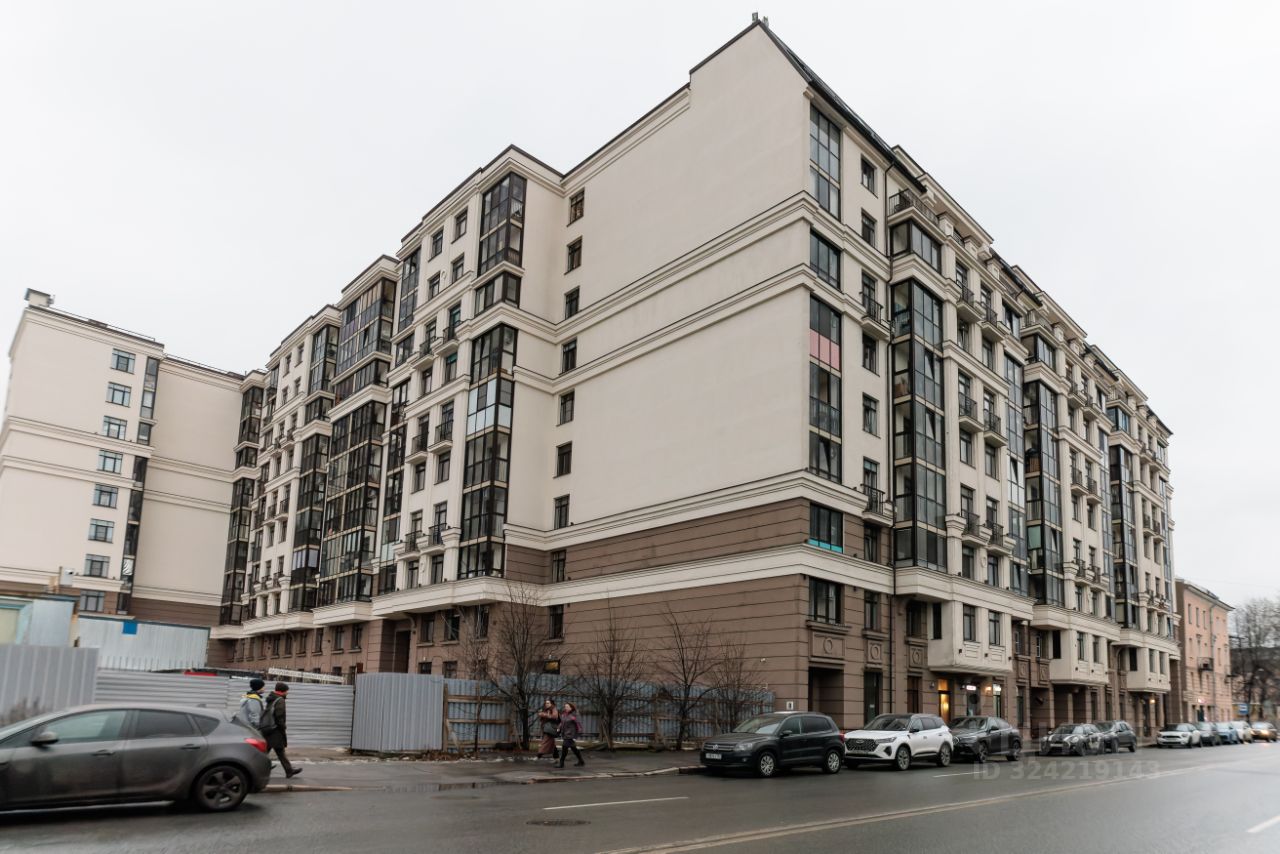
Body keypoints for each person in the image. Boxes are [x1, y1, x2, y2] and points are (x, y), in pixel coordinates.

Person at [262, 682, 301, 778]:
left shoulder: (271, 698)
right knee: (275, 751)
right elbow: (279, 716)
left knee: (276, 751)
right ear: (283, 691)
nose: (287, 693)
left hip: (269, 729)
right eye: (287, 691)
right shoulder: (280, 700)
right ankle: (254, 768)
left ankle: (289, 770)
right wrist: (283, 727)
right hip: (275, 730)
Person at [557, 701, 584, 768]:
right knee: (573, 748)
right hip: (565, 733)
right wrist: (559, 728)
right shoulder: (564, 714)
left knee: (564, 748)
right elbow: (562, 722)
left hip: (571, 734)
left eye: (567, 707)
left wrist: (578, 734)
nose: (565, 708)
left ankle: (561, 763)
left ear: (571, 708)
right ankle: (581, 761)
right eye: (565, 707)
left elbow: (579, 724)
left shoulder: (575, 715)